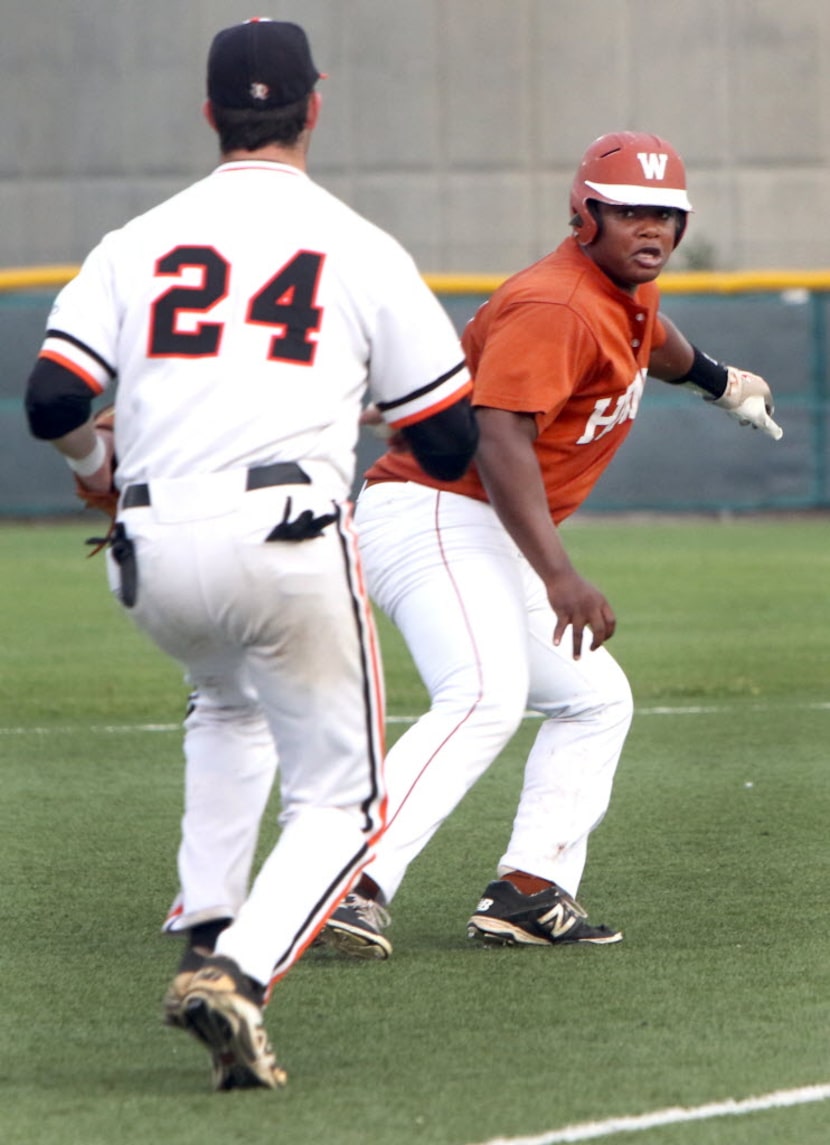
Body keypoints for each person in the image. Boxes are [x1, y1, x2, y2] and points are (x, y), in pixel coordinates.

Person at [24, 18, 477, 1091]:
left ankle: (205, 927)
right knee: (343, 805)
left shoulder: (134, 240)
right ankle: (240, 970)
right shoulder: (358, 243)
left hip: (150, 545)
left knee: (224, 706)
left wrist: (96, 456)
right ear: (313, 107)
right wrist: (359, 403)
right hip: (285, 536)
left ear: (209, 116)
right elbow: (450, 436)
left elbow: (52, 397)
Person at [321, 130, 783, 960]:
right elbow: (499, 440)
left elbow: (657, 338)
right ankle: (342, 881)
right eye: (630, 211)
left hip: (479, 525)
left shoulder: (620, 292)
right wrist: (559, 574)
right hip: (434, 509)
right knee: (483, 694)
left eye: (666, 215)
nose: (652, 230)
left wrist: (719, 381)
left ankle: (530, 890)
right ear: (585, 215)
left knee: (595, 697)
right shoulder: (558, 303)